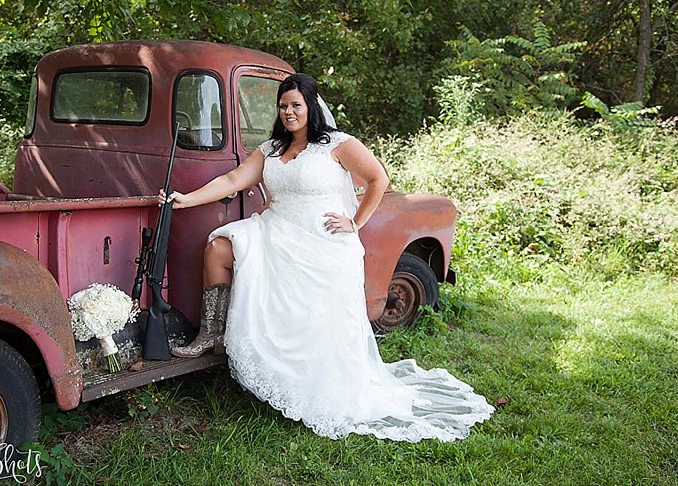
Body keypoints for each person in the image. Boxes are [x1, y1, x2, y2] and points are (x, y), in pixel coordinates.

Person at [162, 73, 494, 441]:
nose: (289, 112)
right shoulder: (271, 148)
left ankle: (307, 380)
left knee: (312, 314)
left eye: (296, 105)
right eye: (283, 106)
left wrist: (355, 221)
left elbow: (377, 178)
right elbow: (233, 180)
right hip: (275, 230)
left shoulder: (338, 144)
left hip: (321, 241)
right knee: (218, 247)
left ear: (311, 106)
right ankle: (211, 333)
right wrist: (185, 199)